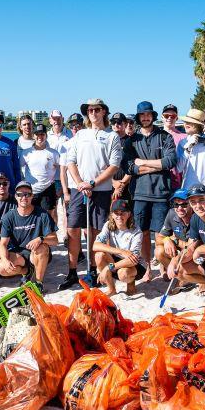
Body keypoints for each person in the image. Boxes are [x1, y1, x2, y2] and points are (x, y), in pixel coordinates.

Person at [59, 98, 122, 290]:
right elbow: (71, 161)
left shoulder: (112, 136)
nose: (93, 113)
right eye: (90, 110)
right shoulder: (80, 135)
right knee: (72, 230)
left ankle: (93, 270)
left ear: (104, 112)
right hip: (80, 190)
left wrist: (93, 183)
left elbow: (113, 166)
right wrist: (79, 183)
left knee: (96, 231)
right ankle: (71, 271)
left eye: (97, 109)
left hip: (101, 191)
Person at [120, 101, 177, 268]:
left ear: (153, 116)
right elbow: (129, 167)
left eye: (148, 114)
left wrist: (143, 162)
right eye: (142, 115)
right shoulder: (132, 141)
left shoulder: (165, 136)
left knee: (161, 233)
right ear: (138, 117)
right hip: (139, 193)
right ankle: (147, 267)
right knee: (142, 232)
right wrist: (155, 166)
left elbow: (170, 162)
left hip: (161, 192)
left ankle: (163, 267)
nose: (145, 118)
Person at [0, 181, 58, 293]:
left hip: (36, 253)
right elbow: (3, 244)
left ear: (32, 196)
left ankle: (38, 283)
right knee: (1, 268)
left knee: (42, 247)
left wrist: (41, 239)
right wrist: (5, 260)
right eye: (20, 194)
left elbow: (55, 240)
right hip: (19, 254)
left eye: (27, 194)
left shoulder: (42, 214)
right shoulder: (9, 217)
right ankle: (26, 272)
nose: (23, 197)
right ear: (15, 196)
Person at [93, 199, 146, 296]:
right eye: (116, 213)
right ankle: (111, 289)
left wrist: (107, 268)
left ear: (129, 214)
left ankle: (131, 283)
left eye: (123, 213)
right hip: (118, 257)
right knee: (99, 255)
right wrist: (121, 251)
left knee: (123, 273)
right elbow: (95, 245)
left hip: (135, 264)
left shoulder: (136, 231)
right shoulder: (108, 225)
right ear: (112, 215)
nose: (119, 216)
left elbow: (133, 260)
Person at [19, 123, 61, 222]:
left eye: (42, 134)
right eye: (37, 134)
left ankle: (51, 236)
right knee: (31, 217)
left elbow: (62, 171)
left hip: (48, 189)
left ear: (46, 135)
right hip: (31, 190)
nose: (40, 137)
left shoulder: (54, 153)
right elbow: (19, 169)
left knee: (49, 217)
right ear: (33, 136)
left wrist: (61, 188)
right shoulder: (26, 153)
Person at [152, 188, 193, 282]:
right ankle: (180, 276)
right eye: (176, 204)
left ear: (191, 204)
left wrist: (174, 240)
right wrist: (166, 239)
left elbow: (193, 246)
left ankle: (198, 280)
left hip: (194, 253)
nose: (179, 208)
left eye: (184, 204)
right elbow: (159, 238)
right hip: (181, 251)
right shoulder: (172, 213)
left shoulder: (197, 216)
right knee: (159, 251)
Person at [177, 108, 205, 191]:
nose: (186, 124)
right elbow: (179, 168)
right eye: (185, 121)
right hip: (188, 187)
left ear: (199, 125)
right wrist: (188, 149)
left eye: (190, 122)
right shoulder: (183, 143)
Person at [47, 109, 72, 233]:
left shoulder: (70, 134)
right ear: (50, 120)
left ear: (62, 119)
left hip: (68, 177)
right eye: (54, 118)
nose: (56, 121)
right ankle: (55, 234)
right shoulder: (46, 136)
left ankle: (67, 235)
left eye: (58, 118)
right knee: (53, 209)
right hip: (52, 178)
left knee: (68, 209)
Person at [160, 104, 188, 190]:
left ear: (177, 118)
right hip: (159, 181)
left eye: (173, 116)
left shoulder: (185, 137)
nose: (169, 118)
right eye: (166, 115)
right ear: (162, 117)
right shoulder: (155, 136)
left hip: (179, 182)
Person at [110, 112, 133, 204]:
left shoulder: (131, 141)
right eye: (113, 122)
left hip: (127, 186)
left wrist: (120, 185)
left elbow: (133, 166)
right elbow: (102, 165)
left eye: (119, 122)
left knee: (125, 215)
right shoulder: (107, 141)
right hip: (108, 185)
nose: (116, 125)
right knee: (109, 216)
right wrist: (113, 183)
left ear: (125, 124)